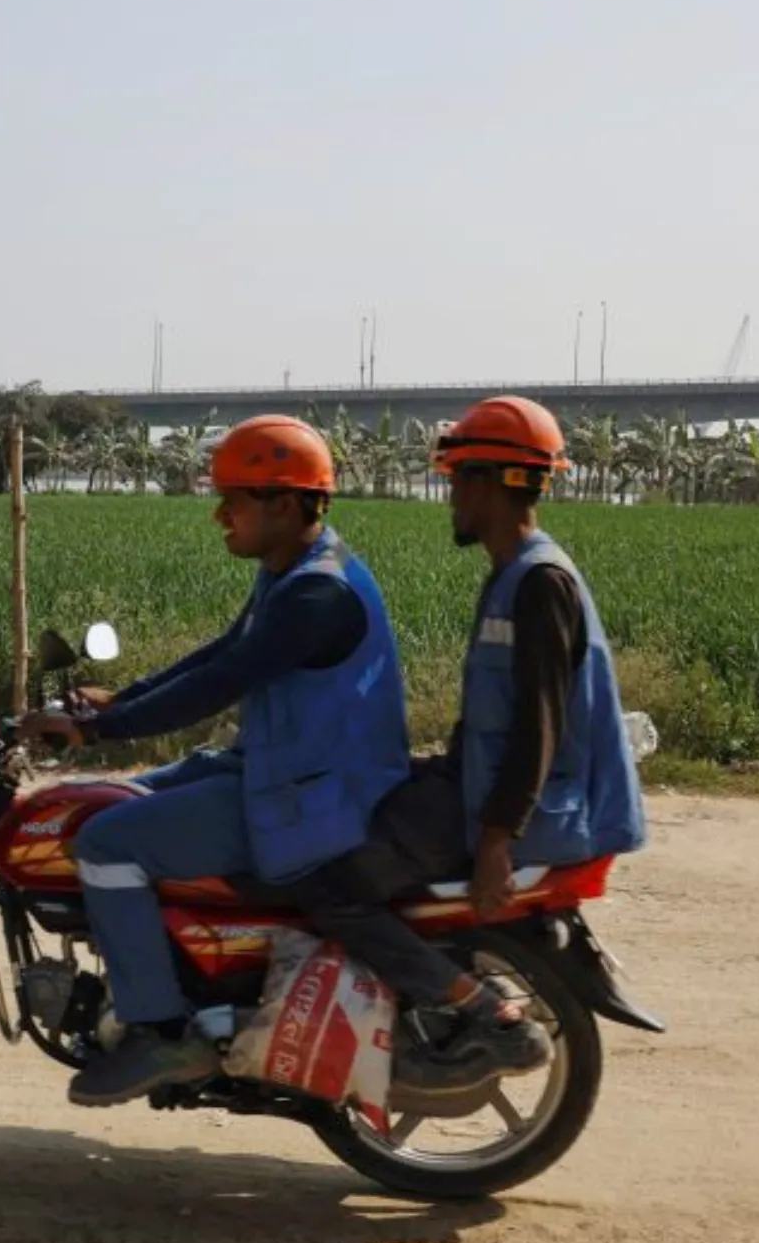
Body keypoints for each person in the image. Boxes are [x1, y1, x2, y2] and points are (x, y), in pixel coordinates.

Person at [21, 415, 411, 1107]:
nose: (217, 514)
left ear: (286, 504)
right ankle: (168, 977)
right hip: (278, 773)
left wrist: (99, 728)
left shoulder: (318, 596)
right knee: (121, 800)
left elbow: (217, 686)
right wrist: (116, 702)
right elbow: (218, 657)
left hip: (309, 800)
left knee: (104, 840)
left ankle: (164, 1029)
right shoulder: (297, 571)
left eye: (234, 498)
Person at [274, 396, 648, 1093]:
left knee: (325, 882)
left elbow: (538, 726)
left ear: (488, 484)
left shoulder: (540, 583)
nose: (450, 497)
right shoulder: (515, 573)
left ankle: (481, 1010)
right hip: (483, 788)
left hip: (522, 810)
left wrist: (497, 842)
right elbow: (497, 723)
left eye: (456, 482)